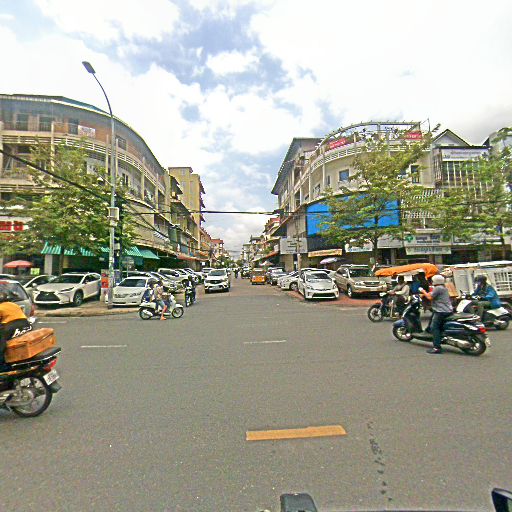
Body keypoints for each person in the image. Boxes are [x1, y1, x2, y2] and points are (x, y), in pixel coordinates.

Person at [419, 274, 453, 354]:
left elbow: (430, 297)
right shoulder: (443, 288)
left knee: (434, 327)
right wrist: (425, 294)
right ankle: (427, 332)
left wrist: (422, 291)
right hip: (447, 310)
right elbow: (431, 294)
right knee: (432, 318)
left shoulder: (438, 288)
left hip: (441, 311)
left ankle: (437, 347)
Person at [0, 292, 32, 365]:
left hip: (13, 326)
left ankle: (2, 364)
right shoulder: (13, 304)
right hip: (26, 325)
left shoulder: (0, 307)